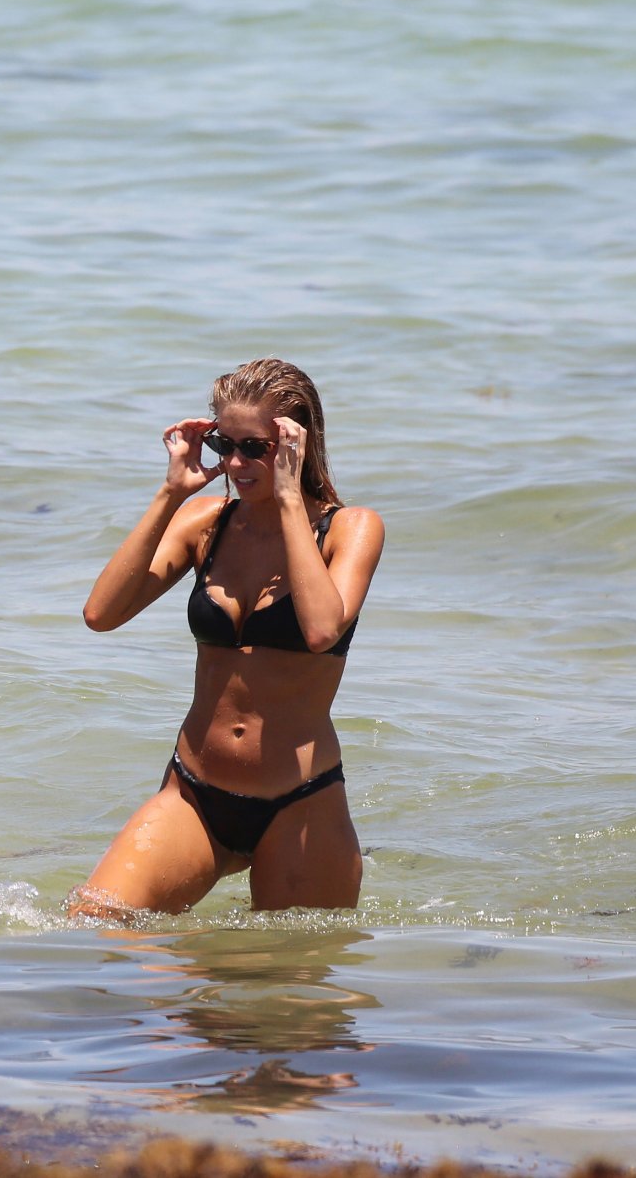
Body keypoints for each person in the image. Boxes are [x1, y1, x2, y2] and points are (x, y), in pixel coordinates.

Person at [71, 357, 384, 915]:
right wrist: (171, 493)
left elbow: (320, 629)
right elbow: (102, 613)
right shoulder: (206, 523)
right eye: (224, 445)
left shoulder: (351, 528)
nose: (235, 463)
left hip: (301, 801)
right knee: (95, 922)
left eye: (255, 448)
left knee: (288, 970)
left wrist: (288, 500)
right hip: (194, 791)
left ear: (296, 444)